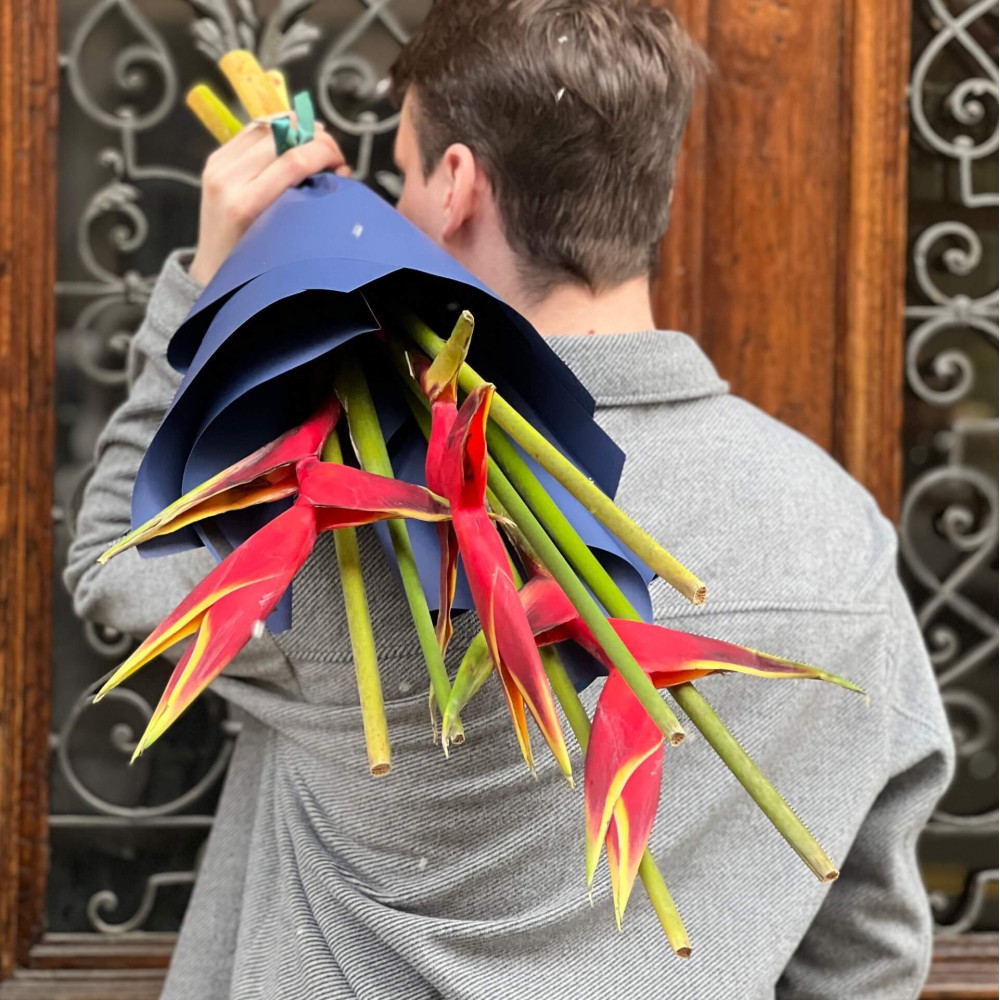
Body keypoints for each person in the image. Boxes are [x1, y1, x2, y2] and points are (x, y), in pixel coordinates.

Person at [65, 1, 954, 997]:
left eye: (404, 172)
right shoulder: (839, 537)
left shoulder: (353, 521)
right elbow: (863, 949)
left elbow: (116, 561)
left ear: (456, 186)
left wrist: (212, 282)